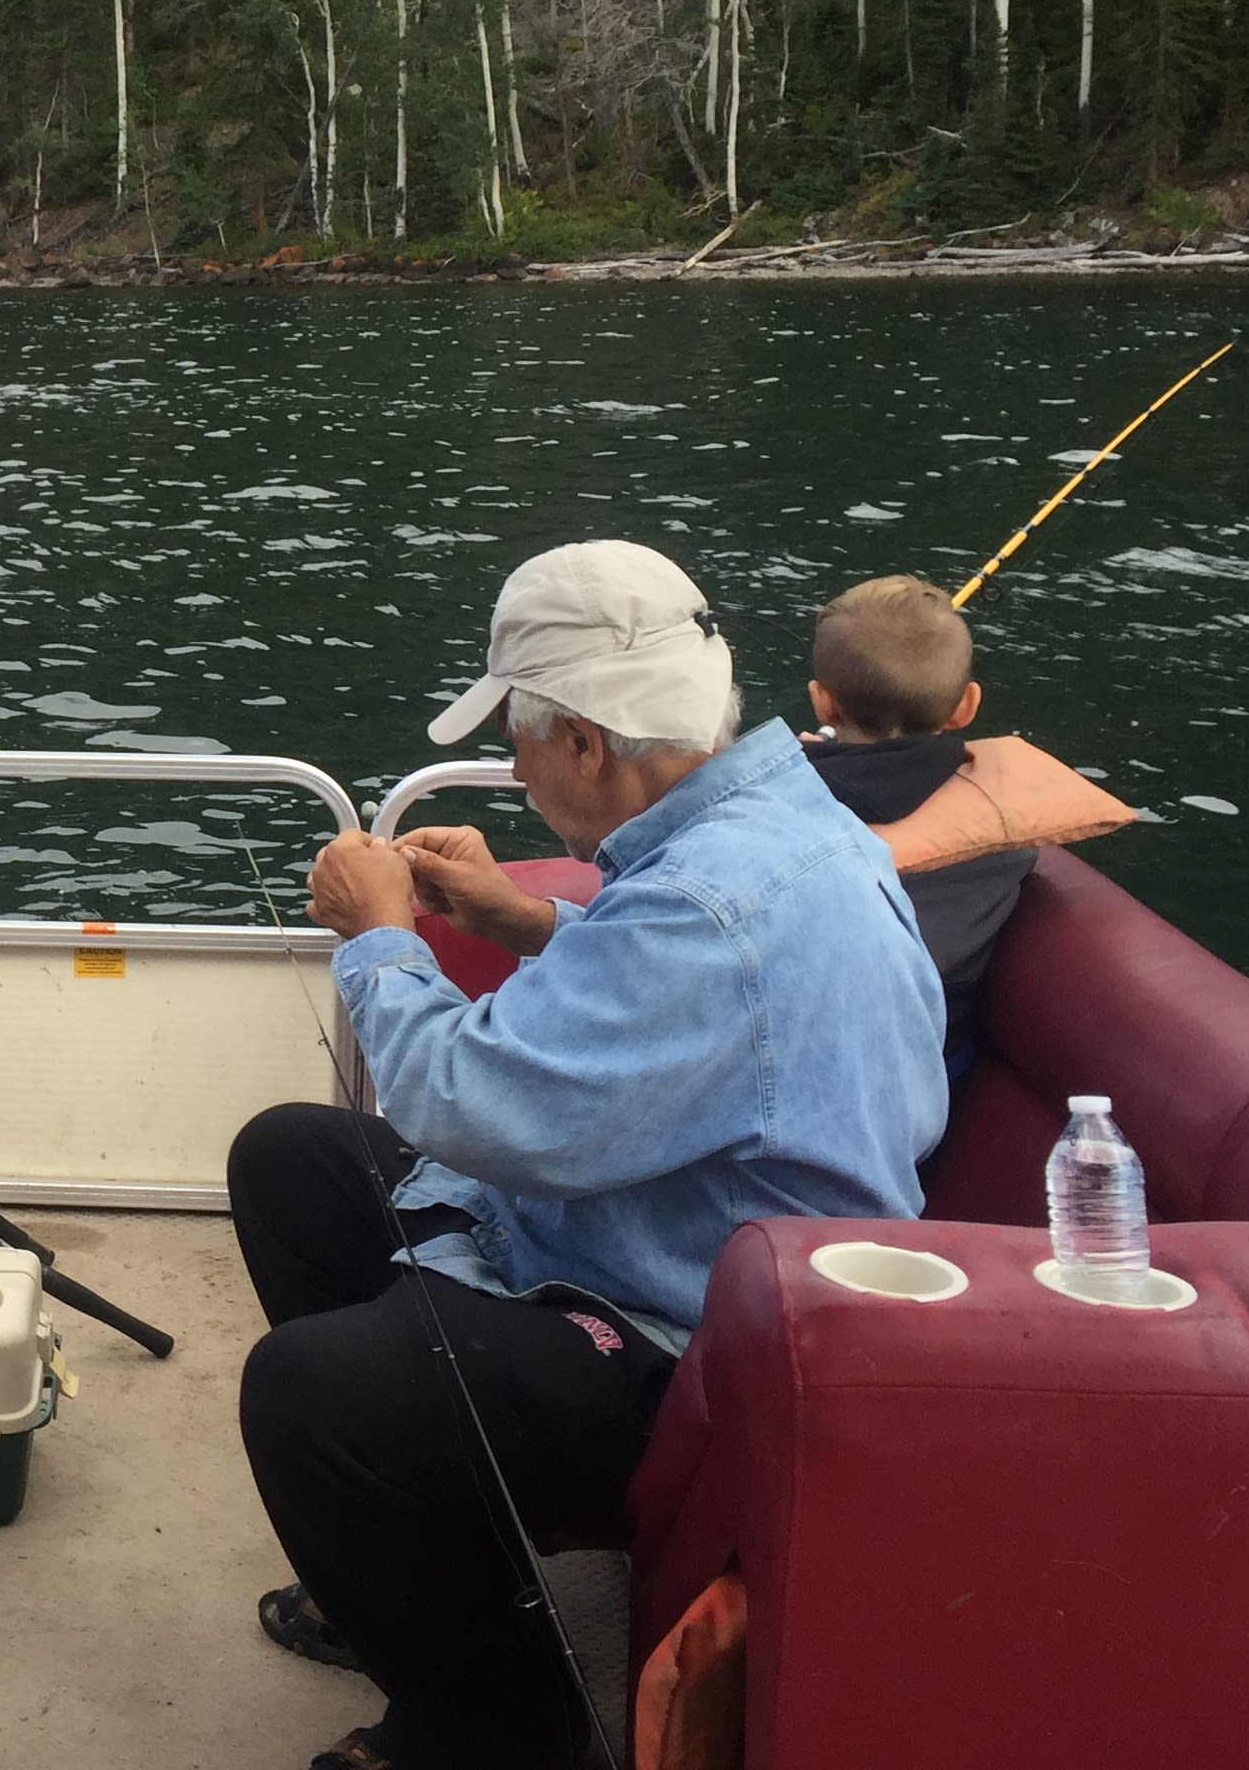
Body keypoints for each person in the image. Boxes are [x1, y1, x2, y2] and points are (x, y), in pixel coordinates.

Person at [233, 542, 946, 1770]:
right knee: (294, 1162)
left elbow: (469, 1102)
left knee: (314, 1393)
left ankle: (493, 1732)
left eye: (519, 732)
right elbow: (682, 990)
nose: (512, 762)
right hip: (672, 1249)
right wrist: (528, 920)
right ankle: (424, 1577)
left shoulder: (707, 901)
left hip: (693, 1342)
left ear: (588, 744)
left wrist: (380, 937)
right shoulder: (770, 825)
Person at [796, 574, 1033, 1075]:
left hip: (804, 1069)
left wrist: (805, 765)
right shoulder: (1008, 832)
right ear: (966, 705)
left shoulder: (778, 807)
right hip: (931, 1079)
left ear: (822, 701)